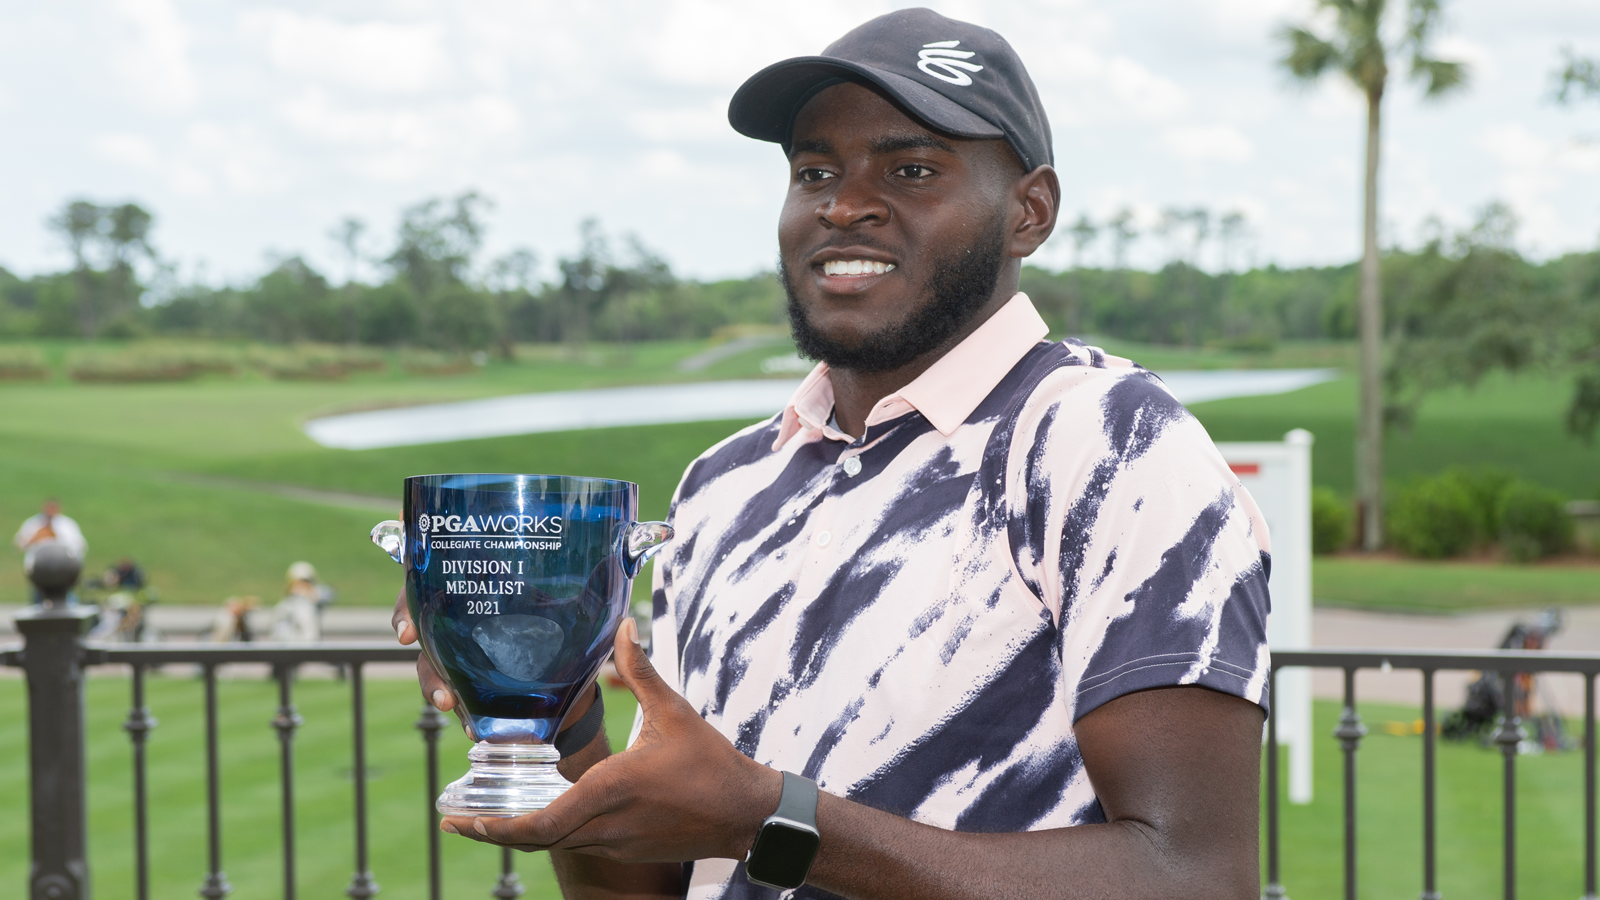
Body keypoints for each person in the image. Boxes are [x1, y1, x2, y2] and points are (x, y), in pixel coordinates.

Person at [394, 9, 1271, 899]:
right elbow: (661, 887)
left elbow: (1195, 876)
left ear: (1029, 213)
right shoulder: (724, 487)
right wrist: (562, 718)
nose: (843, 204)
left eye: (913, 168)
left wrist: (770, 818)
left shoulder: (1109, 444)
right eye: (815, 170)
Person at [14, 498, 87, 561]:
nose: (51, 510)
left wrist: (56, 538)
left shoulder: (68, 524)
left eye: (53, 508)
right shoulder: (32, 524)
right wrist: (34, 539)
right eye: (49, 507)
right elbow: (17, 546)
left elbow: (81, 546)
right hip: (37, 561)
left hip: (62, 562)